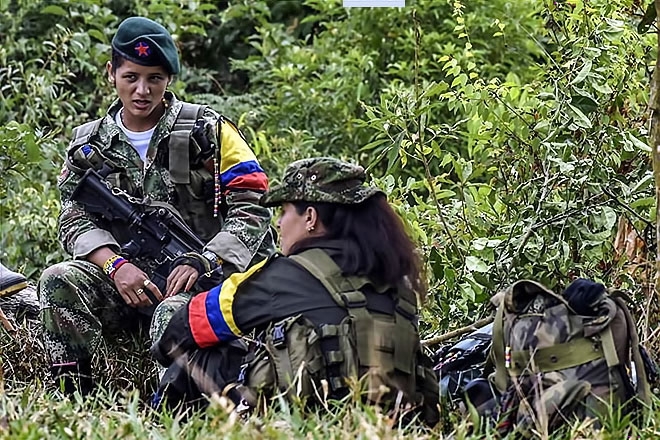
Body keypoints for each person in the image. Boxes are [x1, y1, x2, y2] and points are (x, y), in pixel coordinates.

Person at [37, 16, 275, 395]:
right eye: (131, 77)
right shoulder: (90, 143)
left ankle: (172, 407)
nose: (142, 90)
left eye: (155, 79)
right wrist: (115, 265)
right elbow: (72, 212)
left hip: (203, 279)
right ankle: (73, 397)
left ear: (169, 80)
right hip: (128, 278)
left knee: (173, 315)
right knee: (58, 280)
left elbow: (253, 205)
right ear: (111, 73)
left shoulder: (209, 130)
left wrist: (206, 260)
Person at [151, 157, 440, 425]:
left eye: (284, 211)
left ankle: (156, 426)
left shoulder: (285, 275)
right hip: (394, 425)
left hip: (304, 423)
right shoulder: (397, 281)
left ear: (310, 217)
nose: (278, 223)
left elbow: (189, 325)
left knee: (201, 356)